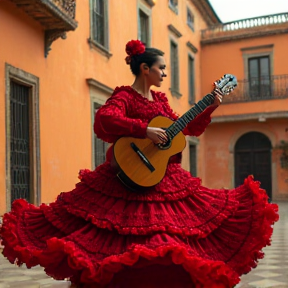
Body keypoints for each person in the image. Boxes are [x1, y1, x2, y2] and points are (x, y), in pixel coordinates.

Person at [0, 40, 279, 288]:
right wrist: (143, 130)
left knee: (171, 240)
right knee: (117, 242)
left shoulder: (160, 101)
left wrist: (212, 103)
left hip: (163, 179)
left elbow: (187, 129)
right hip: (126, 178)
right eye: (161, 68)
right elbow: (105, 120)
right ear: (145, 69)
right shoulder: (124, 96)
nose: (165, 74)